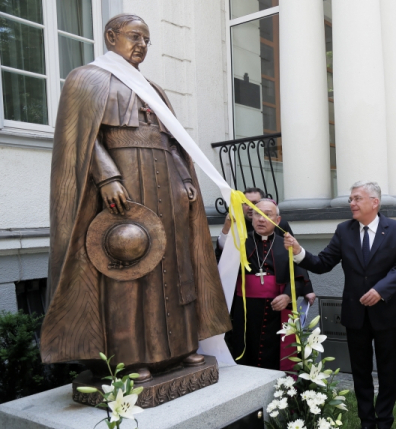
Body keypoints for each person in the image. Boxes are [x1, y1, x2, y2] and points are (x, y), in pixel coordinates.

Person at [41, 14, 231, 378]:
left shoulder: (153, 89)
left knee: (176, 268)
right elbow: (81, 139)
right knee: (129, 267)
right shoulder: (86, 79)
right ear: (111, 37)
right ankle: (131, 356)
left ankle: (181, 347)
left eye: (146, 40)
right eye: (134, 37)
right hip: (124, 188)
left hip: (166, 191)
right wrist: (107, 176)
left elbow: (173, 143)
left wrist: (184, 180)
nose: (141, 45)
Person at [284, 181, 396, 429]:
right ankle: (366, 423)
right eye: (351, 200)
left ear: (374, 202)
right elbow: (322, 263)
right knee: (360, 372)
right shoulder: (344, 231)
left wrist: (380, 290)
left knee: (387, 371)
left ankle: (384, 425)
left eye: (357, 199)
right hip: (355, 315)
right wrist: (299, 252)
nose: (351, 203)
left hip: (387, 313)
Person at [217, 199, 311, 369]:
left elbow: (298, 277)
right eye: (257, 214)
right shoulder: (241, 242)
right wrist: (227, 226)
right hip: (245, 311)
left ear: (277, 220)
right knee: (245, 348)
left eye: (267, 215)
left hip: (277, 310)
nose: (261, 219)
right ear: (251, 218)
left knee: (275, 351)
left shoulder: (287, 245)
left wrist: (287, 296)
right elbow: (222, 252)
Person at [217, 186, 314, 305]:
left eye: (254, 203)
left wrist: (307, 289)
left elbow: (296, 256)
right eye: (246, 203)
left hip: (277, 295)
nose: (250, 207)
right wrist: (227, 226)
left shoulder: (280, 226)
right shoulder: (235, 222)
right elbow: (223, 253)